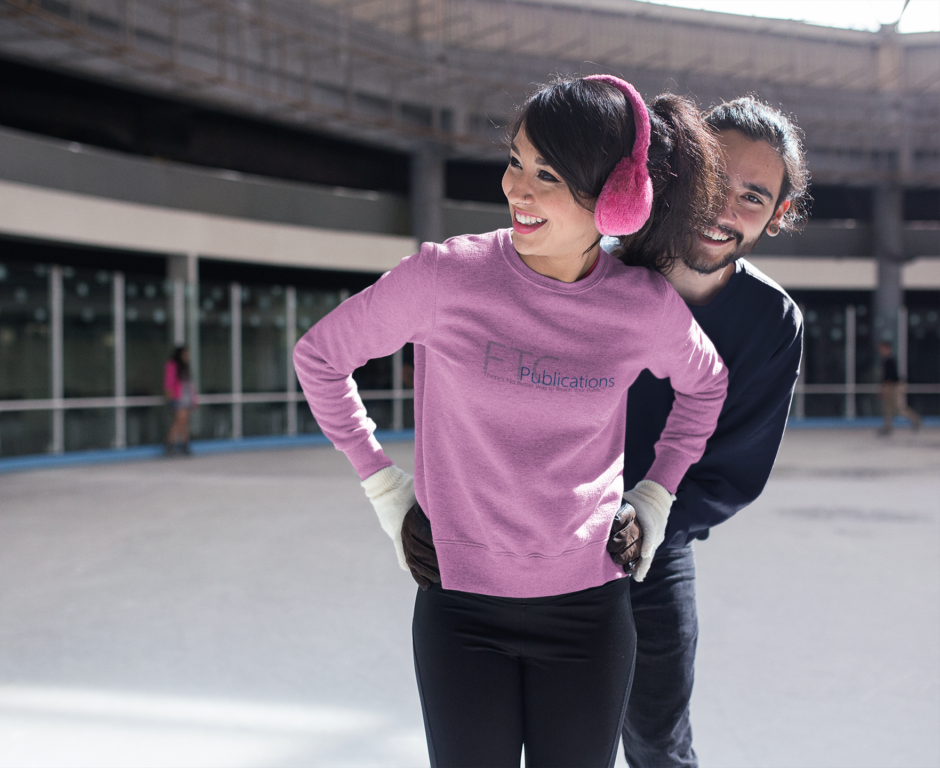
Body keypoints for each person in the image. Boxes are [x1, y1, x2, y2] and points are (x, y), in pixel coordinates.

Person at [294, 75, 729, 767]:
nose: (516, 189)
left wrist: (656, 493)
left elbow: (707, 385)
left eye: (547, 175)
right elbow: (320, 358)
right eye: (517, 162)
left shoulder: (640, 307)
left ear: (615, 200)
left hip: (591, 614)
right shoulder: (445, 278)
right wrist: (384, 489)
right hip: (461, 612)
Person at [613, 96, 810, 768]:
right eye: (715, 180)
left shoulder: (770, 322)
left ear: (778, 216)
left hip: (653, 545)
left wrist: (642, 522)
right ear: (678, 172)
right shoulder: (595, 269)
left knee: (655, 741)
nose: (726, 209)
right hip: (536, 535)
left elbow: (732, 471)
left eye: (753, 196)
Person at [878, 340, 921, 434]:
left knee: (899, 407)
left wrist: (883, 389)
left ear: (887, 349)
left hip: (895, 386)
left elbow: (889, 378)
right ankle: (887, 427)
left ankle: (916, 419)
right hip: (891, 386)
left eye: (882, 348)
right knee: (888, 407)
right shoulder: (886, 361)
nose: (880, 350)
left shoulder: (890, 361)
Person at [164, 346, 197, 455]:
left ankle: (185, 445)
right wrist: (172, 399)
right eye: (185, 354)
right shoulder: (172, 365)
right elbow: (169, 383)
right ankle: (170, 444)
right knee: (178, 422)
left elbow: (189, 385)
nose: (187, 356)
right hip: (178, 398)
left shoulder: (185, 367)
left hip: (187, 397)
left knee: (184, 423)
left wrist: (194, 400)